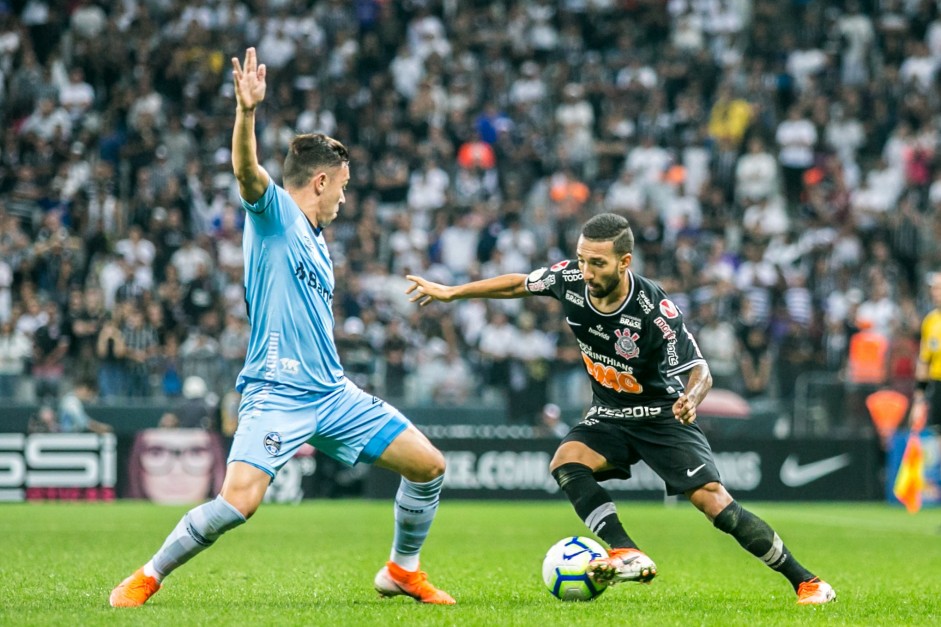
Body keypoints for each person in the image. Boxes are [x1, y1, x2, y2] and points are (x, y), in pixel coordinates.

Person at [109, 48, 454, 608]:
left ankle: (401, 569)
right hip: (277, 392)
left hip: (333, 393)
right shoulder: (274, 217)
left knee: (428, 465)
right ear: (319, 181)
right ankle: (147, 576)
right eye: (342, 185)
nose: (345, 196)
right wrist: (246, 113)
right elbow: (246, 173)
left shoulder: (318, 242)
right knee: (237, 503)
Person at [406, 212, 835, 605]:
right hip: (609, 414)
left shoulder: (653, 308)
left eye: (598, 264)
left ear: (624, 261)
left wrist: (692, 397)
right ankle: (625, 550)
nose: (587, 273)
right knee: (567, 461)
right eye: (582, 260)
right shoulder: (569, 279)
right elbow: (519, 283)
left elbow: (699, 368)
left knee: (713, 503)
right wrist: (452, 293)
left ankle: (808, 582)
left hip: (660, 417)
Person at [911, 272, 941, 430]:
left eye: (938, 288)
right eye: (933, 289)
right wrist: (918, 401)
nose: (935, 292)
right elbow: (924, 361)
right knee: (937, 433)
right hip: (937, 385)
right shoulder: (930, 322)